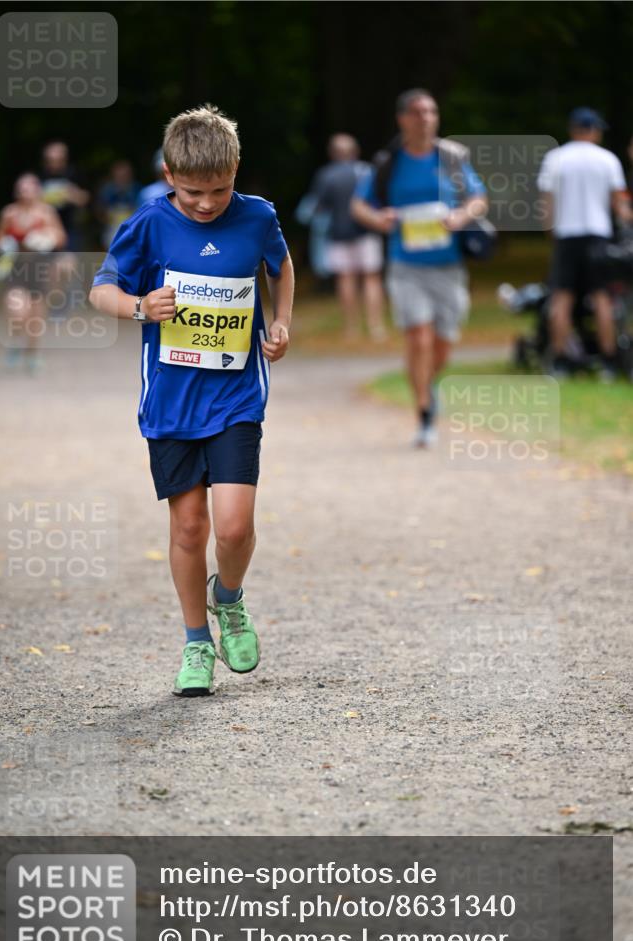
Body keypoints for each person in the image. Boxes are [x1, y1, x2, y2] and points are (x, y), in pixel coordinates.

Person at [89, 105, 293, 697]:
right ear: (168, 173)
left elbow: (281, 268)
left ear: (237, 170)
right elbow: (101, 289)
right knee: (188, 527)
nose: (207, 203)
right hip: (172, 402)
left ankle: (227, 598)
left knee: (233, 528)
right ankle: (196, 642)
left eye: (220, 189)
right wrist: (138, 307)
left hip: (235, 395)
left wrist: (280, 322)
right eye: (193, 191)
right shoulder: (149, 223)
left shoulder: (257, 217)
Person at [351, 89, 487, 447]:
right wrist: (380, 219)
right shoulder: (388, 162)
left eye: (431, 111)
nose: (425, 117)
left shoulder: (452, 157)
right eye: (417, 112)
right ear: (403, 119)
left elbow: (478, 198)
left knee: (442, 344)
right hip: (405, 265)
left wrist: (461, 215)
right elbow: (359, 206)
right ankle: (425, 413)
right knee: (419, 337)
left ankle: (426, 381)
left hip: (449, 266)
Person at [537, 108, 629, 380]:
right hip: (598, 234)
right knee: (602, 298)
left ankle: (560, 359)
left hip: (566, 235)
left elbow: (547, 202)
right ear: (594, 130)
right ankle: (609, 360)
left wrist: (549, 229)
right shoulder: (607, 159)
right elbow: (618, 202)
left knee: (562, 298)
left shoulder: (555, 158)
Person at [308, 134, 387, 342]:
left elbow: (319, 206)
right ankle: (375, 326)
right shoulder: (367, 171)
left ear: (332, 153)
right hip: (367, 232)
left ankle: (351, 329)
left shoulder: (326, 175)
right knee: (371, 278)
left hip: (338, 235)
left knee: (346, 278)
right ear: (355, 151)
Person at [0, 173, 67, 372]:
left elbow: (60, 238)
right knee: (18, 312)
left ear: (37, 191)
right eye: (22, 189)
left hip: (39, 270)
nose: (26, 193)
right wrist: (5, 244)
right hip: (16, 269)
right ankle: (16, 341)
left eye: (30, 188)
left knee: (35, 317)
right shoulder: (9, 213)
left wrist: (45, 239)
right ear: (17, 191)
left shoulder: (46, 212)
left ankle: (33, 353)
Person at [39, 141, 90, 251]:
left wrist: (72, 195)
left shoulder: (74, 173)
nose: (54, 164)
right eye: (50, 160)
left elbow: (86, 198)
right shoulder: (40, 174)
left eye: (58, 160)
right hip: (45, 227)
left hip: (71, 226)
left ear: (65, 158)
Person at [96, 159, 142, 248]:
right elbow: (99, 210)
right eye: (119, 175)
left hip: (134, 230)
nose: (122, 177)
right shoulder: (107, 190)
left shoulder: (137, 189)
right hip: (112, 230)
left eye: (125, 174)